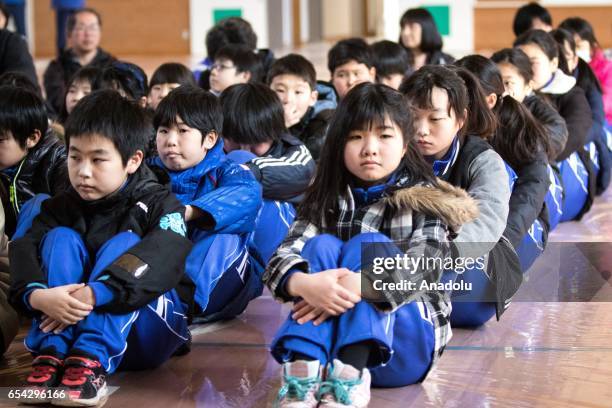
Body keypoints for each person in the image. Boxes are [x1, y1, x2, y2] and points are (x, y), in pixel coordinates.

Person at [266, 83, 478, 407]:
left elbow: (428, 266)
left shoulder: (428, 201)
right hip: (329, 349)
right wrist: (305, 283)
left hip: (404, 348)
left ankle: (350, 376)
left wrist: (360, 284)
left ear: (406, 145)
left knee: (369, 244)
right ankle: (302, 373)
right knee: (321, 246)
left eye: (384, 136)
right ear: (339, 146)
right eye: (355, 137)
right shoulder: (326, 196)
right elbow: (284, 253)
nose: (370, 148)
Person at [9, 90, 193, 406]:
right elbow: (25, 247)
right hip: (69, 328)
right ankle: (52, 354)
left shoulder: (160, 203)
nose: (83, 171)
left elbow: (166, 255)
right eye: (75, 157)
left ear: (133, 160)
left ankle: (90, 359)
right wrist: (38, 295)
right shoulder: (61, 205)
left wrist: (96, 292)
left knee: (126, 243)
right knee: (59, 238)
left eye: (98, 160)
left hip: (146, 333)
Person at [400, 65, 521, 326]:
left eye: (434, 119)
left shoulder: (483, 160)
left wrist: (432, 259)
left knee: (461, 305)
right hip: (409, 254)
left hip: (464, 256)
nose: (421, 130)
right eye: (412, 117)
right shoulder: (391, 150)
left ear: (460, 120)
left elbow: (487, 222)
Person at [147, 86, 264, 323]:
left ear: (209, 139)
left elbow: (248, 194)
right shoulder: (146, 172)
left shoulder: (226, 172)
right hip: (160, 275)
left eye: (182, 131)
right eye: (163, 130)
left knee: (223, 237)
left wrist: (190, 212)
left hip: (223, 281)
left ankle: (181, 306)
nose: (170, 141)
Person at [220, 83, 315, 265]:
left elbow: (303, 170)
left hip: (279, 245)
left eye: (256, 142)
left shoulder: (293, 152)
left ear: (274, 132)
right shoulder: (208, 149)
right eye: (234, 141)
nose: (246, 149)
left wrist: (245, 170)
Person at [514, 29, 595, 222]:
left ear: (553, 63)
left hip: (565, 169)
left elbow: (575, 133)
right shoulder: (511, 94)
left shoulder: (571, 93)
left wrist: (529, 156)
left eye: (532, 62)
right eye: (520, 62)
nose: (525, 68)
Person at [0, 86, 69, 239]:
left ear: (32, 138)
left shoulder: (59, 161)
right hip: (6, 252)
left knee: (39, 203)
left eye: (0, 140)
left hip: (43, 250)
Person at [552, 28, 610, 194]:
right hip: (564, 138)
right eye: (557, 57)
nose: (561, 64)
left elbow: (597, 124)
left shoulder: (586, 80)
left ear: (575, 59)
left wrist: (571, 141)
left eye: (566, 56)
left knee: (601, 135)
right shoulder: (543, 83)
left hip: (587, 132)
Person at [43, 8, 115, 117]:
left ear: (100, 32)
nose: (88, 33)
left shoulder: (112, 65)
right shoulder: (57, 67)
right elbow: (57, 101)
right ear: (69, 33)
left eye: (93, 28)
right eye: (81, 28)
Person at [267, 53, 335, 161]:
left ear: (313, 98)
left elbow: (298, 165)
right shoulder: (261, 113)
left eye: (298, 92)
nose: (288, 99)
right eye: (280, 90)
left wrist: (281, 128)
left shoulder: (325, 124)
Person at [559, 17, 612, 124]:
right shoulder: (559, 71)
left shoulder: (607, 68)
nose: (574, 53)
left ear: (592, 47)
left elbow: (606, 103)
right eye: (570, 48)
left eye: (578, 46)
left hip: (604, 122)